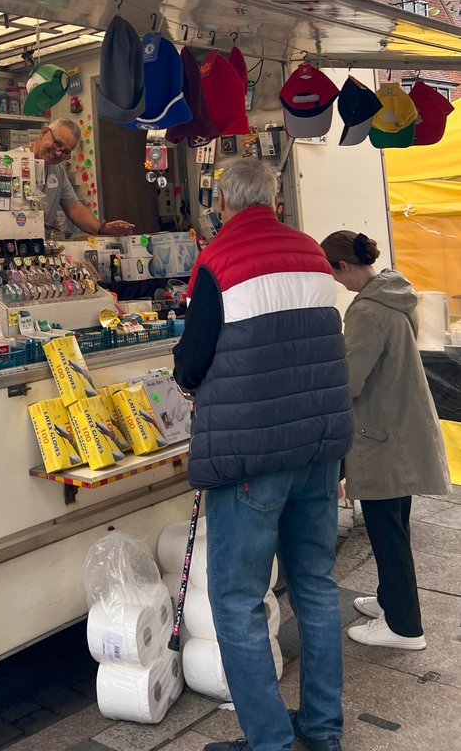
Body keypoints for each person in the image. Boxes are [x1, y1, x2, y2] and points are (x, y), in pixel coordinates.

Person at [173, 159, 352, 751]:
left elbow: (192, 361)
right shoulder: (311, 253)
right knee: (316, 588)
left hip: (252, 458)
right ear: (273, 199)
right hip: (318, 448)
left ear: (222, 201)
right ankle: (324, 731)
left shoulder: (219, 260)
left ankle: (270, 742)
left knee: (238, 600)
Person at [319, 230, 451, 651]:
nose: (337, 283)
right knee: (395, 524)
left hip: (381, 436)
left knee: (386, 530)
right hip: (400, 429)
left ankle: (405, 627)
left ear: (343, 266)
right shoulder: (395, 294)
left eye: (334, 273)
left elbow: (349, 380)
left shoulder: (368, 312)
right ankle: (392, 601)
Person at [24, 119, 134, 237]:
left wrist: (101, 228)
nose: (58, 153)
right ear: (44, 133)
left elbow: (74, 208)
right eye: (57, 144)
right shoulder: (12, 162)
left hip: (37, 245)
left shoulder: (57, 171)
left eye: (66, 151)